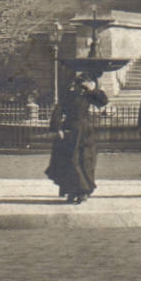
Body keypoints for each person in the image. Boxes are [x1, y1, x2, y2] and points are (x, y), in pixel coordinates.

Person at [44, 72, 108, 202]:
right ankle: (72, 191)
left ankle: (83, 191)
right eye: (79, 83)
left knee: (86, 161)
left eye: (82, 84)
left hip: (86, 132)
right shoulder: (69, 95)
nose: (79, 87)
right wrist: (59, 128)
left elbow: (103, 101)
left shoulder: (88, 95)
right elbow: (58, 111)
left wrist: (93, 89)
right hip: (71, 130)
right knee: (71, 161)